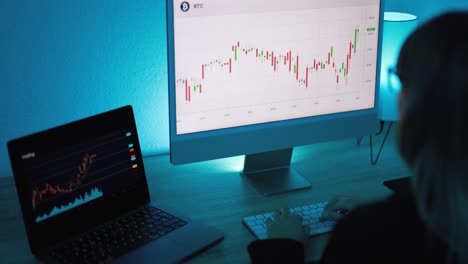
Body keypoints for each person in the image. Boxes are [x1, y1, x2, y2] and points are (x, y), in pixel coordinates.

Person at [247, 11, 468, 264]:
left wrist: (283, 247)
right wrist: (389, 208)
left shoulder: (366, 235)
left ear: (418, 107)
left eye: (401, 81)